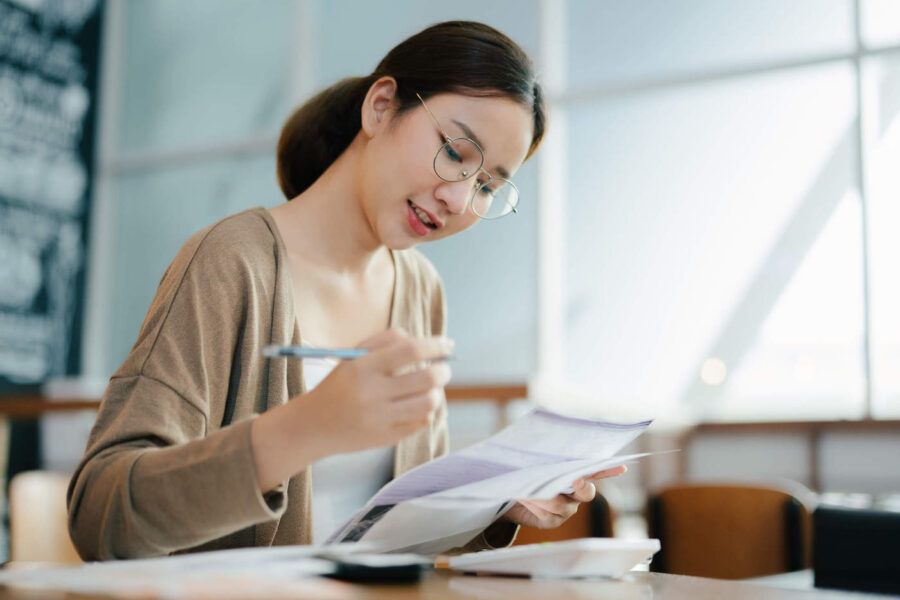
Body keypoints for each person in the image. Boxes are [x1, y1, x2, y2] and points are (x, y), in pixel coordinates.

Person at [67, 20, 624, 561]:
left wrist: (497, 506)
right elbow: (102, 515)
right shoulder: (233, 262)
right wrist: (306, 428)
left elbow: (398, 538)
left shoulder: (419, 291)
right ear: (381, 107)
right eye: (456, 152)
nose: (459, 198)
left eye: (487, 186)